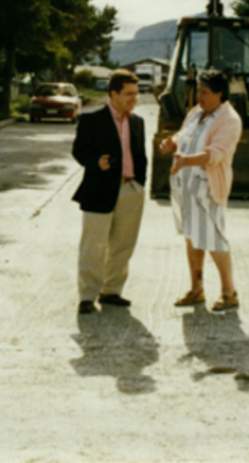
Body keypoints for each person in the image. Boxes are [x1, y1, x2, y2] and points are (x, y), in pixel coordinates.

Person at [160, 68, 242, 311]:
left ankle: (229, 292)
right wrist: (172, 142)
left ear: (219, 94)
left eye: (205, 92)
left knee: (214, 238)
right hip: (186, 185)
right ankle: (196, 289)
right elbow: (184, 135)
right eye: (198, 90)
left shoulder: (229, 119)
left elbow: (216, 154)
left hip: (207, 187)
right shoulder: (196, 113)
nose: (200, 96)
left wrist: (186, 159)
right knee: (192, 236)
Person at [72, 69, 147, 315]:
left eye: (136, 94)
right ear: (113, 94)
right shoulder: (92, 119)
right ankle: (87, 296)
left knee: (123, 245)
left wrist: (139, 184)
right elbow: (79, 151)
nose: (133, 99)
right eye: (128, 94)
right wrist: (96, 163)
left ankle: (111, 291)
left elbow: (140, 156)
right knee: (93, 245)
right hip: (98, 189)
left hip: (130, 190)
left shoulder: (138, 122)